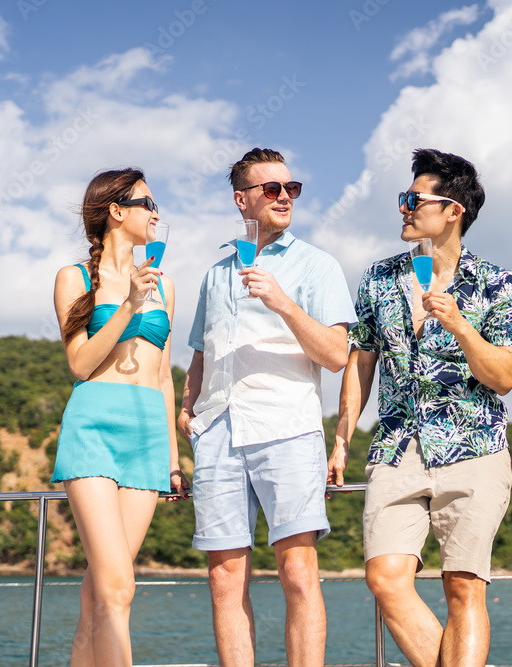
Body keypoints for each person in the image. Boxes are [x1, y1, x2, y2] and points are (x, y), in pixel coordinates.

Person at [330, 148, 512, 667]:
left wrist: (461, 325)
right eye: (404, 199)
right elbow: (361, 361)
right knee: (385, 577)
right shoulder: (377, 278)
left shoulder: (498, 284)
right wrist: (343, 436)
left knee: (464, 588)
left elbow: (505, 377)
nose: (404, 209)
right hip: (397, 447)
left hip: (475, 447)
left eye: (413, 200)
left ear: (453, 210)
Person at [178, 147, 357, 667]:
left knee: (298, 572)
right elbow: (200, 353)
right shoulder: (215, 275)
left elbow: (336, 356)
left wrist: (282, 302)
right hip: (217, 432)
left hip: (287, 428)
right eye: (271, 189)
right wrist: (188, 410)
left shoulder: (318, 265)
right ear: (242, 200)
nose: (284, 197)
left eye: (291, 189)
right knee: (223, 578)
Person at [50, 168, 190, 667]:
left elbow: (164, 378)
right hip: (94, 429)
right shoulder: (76, 278)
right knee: (118, 589)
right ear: (116, 211)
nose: (156, 213)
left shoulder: (166, 286)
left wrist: (174, 461)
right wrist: (129, 304)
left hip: (148, 436)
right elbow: (81, 364)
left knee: (99, 596)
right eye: (148, 203)